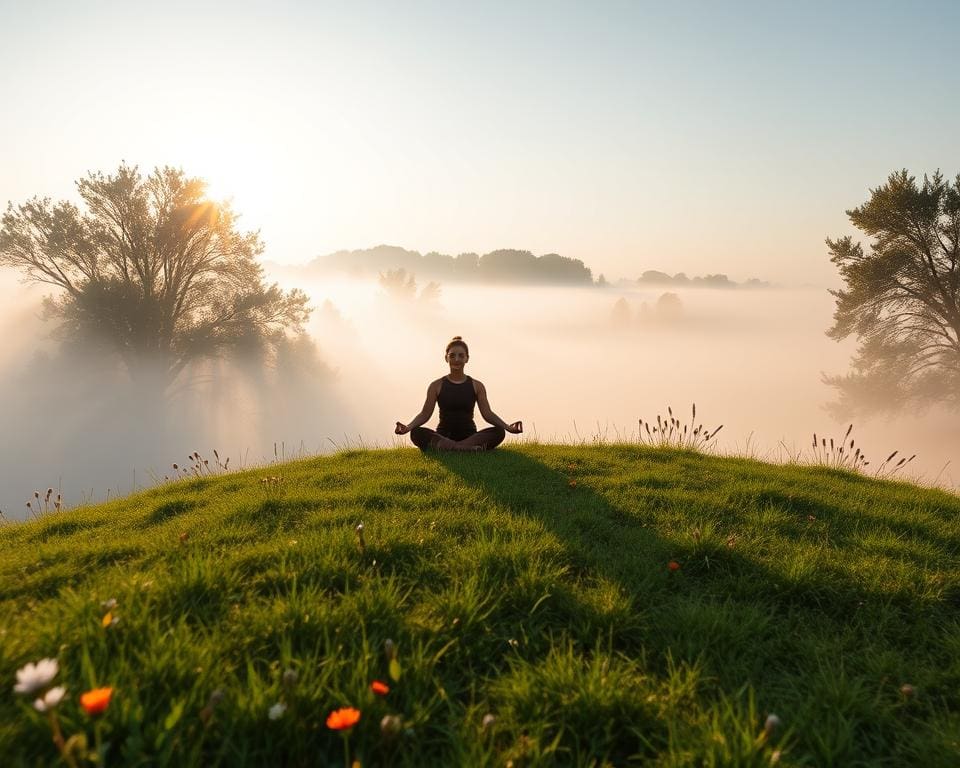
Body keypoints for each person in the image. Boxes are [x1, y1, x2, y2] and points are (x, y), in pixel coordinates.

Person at [394, 336, 523, 451]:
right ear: (446, 358)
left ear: (467, 358)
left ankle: (453, 448)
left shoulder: (477, 385)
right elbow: (425, 414)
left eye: (461, 356)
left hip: (470, 437)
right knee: (416, 433)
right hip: (444, 436)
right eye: (452, 355)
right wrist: (408, 427)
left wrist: (507, 427)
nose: (456, 359)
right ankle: (464, 449)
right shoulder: (436, 385)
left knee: (499, 432)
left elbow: (487, 414)